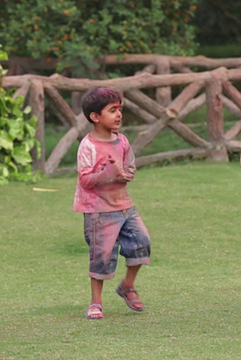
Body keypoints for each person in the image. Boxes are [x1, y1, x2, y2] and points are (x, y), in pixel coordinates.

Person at [73, 87, 151, 320]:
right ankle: (95, 303)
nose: (118, 115)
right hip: (99, 210)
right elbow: (85, 180)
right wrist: (106, 170)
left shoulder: (122, 141)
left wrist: (125, 174)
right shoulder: (88, 146)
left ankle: (127, 285)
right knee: (102, 255)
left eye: (119, 110)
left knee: (142, 242)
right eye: (112, 110)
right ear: (95, 117)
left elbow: (130, 168)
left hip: (124, 205)